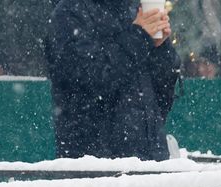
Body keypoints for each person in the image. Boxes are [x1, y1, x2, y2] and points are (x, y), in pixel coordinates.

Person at [47, 0, 180, 161]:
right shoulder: (70, 13)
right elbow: (90, 80)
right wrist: (140, 37)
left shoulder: (135, 11)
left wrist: (160, 47)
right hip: (96, 164)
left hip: (150, 159)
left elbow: (162, 96)